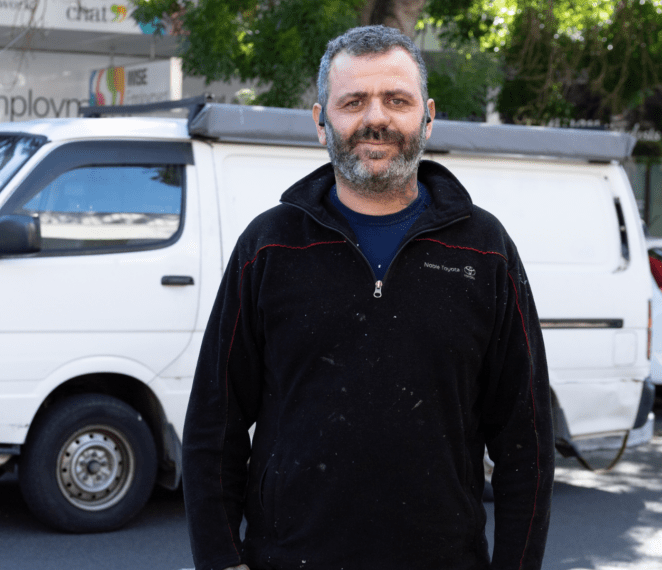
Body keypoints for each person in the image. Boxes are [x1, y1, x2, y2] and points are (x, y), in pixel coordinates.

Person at [182, 25, 554, 570]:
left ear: (426, 117)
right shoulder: (268, 248)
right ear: (320, 122)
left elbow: (528, 443)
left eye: (396, 100)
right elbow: (214, 427)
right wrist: (221, 561)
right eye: (353, 101)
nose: (375, 118)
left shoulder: (486, 251)